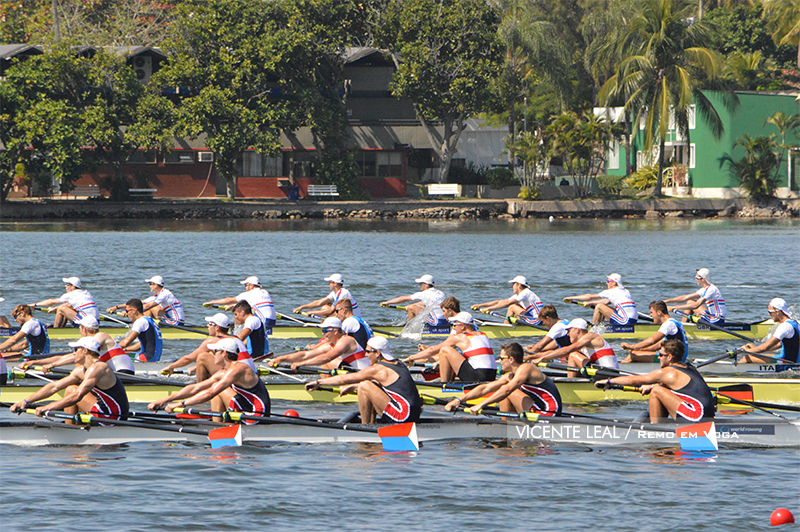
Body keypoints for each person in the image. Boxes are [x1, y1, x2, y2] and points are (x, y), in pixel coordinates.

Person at [10, 337, 129, 424]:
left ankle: (70, 430)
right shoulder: (81, 370)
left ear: (85, 351)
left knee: (72, 391)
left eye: (76, 349)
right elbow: (54, 387)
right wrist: (25, 401)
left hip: (114, 416)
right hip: (104, 410)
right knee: (71, 388)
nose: (73, 353)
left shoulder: (99, 368)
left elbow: (77, 396)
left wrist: (48, 407)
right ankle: (73, 426)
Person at [148, 338, 269, 423]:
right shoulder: (224, 372)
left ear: (224, 353)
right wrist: (164, 400)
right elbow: (196, 387)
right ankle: (218, 425)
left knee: (217, 389)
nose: (212, 353)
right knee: (215, 387)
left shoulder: (239, 369)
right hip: (245, 411)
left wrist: (180, 404)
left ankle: (219, 427)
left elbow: (210, 393)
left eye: (215, 351)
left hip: (256, 416)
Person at [305, 336, 422, 423]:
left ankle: (365, 427)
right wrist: (354, 387)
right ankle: (371, 423)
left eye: (368, 351)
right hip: (414, 415)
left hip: (402, 416)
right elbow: (382, 385)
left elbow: (344, 379)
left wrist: (318, 382)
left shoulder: (378, 369)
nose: (365, 355)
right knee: (365, 385)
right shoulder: (399, 363)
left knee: (364, 385)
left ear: (378, 353)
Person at [594, 339, 715, 423]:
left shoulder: (667, 373)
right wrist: (653, 385)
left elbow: (633, 380)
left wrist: (609, 382)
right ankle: (659, 425)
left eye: (661, 355)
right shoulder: (689, 367)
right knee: (657, 387)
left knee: (656, 391)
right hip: (707, 417)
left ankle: (655, 430)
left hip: (695, 417)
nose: (658, 357)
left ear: (669, 357)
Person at [444, 342, 562, 416]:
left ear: (511, 359)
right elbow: (485, 388)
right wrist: (459, 400)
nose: (499, 361)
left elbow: (507, 390)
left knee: (507, 390)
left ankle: (505, 427)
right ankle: (505, 425)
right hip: (538, 409)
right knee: (503, 388)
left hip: (549, 413)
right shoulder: (510, 375)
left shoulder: (526, 368)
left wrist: (481, 405)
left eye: (501, 358)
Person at [22, 315, 135, 375]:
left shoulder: (101, 336)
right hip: (116, 374)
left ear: (83, 329)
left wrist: (52, 365)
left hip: (124, 373)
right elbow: (67, 357)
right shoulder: (92, 341)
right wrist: (34, 362)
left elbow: (74, 358)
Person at [404, 312, 496, 383]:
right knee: (455, 354)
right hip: (491, 376)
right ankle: (450, 382)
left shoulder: (460, 337)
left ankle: (444, 385)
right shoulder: (483, 335)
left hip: (478, 377)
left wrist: (411, 358)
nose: (453, 327)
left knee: (445, 350)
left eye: (455, 324)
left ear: (463, 326)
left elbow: (432, 350)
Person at [161, 313, 251, 381]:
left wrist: (171, 366)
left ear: (217, 327)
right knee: (211, 353)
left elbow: (188, 358)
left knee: (202, 357)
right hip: (248, 372)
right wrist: (197, 368)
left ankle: (199, 389)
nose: (207, 326)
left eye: (210, 324)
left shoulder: (212, 341)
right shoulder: (236, 338)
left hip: (237, 373)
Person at [268, 317, 370, 371]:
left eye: (325, 331)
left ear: (335, 331)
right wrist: (281, 358)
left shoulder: (346, 341)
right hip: (353, 373)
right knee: (322, 361)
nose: (323, 334)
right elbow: (305, 355)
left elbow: (327, 358)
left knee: (326, 361)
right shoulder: (330, 345)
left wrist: (301, 364)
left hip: (364, 376)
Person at [203, 275, 277, 350]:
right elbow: (248, 304)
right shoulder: (265, 292)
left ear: (251, 286)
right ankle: (245, 346)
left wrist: (212, 302)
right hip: (272, 320)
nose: (245, 288)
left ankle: (238, 346)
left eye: (246, 285)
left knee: (247, 329)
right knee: (256, 335)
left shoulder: (248, 294)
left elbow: (228, 300)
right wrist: (234, 306)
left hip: (262, 320)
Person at [528, 318, 619, 377]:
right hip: (602, 372)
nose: (568, 334)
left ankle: (570, 384)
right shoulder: (583, 344)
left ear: (577, 330)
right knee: (573, 354)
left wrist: (543, 358)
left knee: (573, 355)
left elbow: (567, 350)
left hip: (608, 373)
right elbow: (559, 352)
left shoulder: (590, 336)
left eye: (569, 330)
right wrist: (531, 357)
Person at [620, 301, 689, 363]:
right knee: (636, 352)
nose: (650, 315)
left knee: (633, 356)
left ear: (659, 312)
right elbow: (658, 345)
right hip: (677, 357)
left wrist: (632, 346)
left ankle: (618, 371)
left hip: (673, 359)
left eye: (651, 312)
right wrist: (639, 348)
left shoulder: (668, 324)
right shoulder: (676, 322)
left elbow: (652, 340)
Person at [739, 298, 799, 364]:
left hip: (788, 362)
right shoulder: (794, 323)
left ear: (778, 312)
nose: (769, 314)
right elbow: (778, 345)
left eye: (770, 312)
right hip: (789, 359)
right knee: (756, 355)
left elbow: (764, 348)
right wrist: (755, 349)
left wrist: (745, 350)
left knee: (747, 358)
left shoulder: (784, 326)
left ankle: (733, 369)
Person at [564, 273, 638, 326]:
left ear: (614, 283)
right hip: (634, 320)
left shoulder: (611, 292)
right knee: (603, 306)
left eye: (608, 281)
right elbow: (605, 302)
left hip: (625, 322)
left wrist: (572, 298)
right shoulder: (626, 291)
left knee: (599, 306)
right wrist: (590, 303)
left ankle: (593, 328)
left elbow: (590, 297)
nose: (606, 283)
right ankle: (600, 325)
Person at [108, 276, 185, 325]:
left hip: (176, 322)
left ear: (156, 285)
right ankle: (141, 325)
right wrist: (116, 307)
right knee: (143, 306)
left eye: (150, 284)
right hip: (169, 320)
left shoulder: (165, 294)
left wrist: (128, 311)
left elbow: (149, 306)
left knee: (153, 308)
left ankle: (142, 326)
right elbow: (137, 303)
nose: (149, 286)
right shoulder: (157, 296)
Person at [380, 274, 447, 328]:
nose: (420, 286)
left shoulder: (423, 294)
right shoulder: (440, 293)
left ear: (426, 285)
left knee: (411, 308)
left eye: (421, 284)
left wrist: (387, 302)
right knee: (413, 306)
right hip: (445, 321)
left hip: (436, 322)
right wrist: (411, 305)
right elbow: (426, 303)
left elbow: (402, 298)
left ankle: (409, 329)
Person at [473, 275, 544, 325]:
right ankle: (510, 325)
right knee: (513, 305)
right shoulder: (520, 295)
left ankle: (507, 327)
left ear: (519, 285)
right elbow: (500, 302)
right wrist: (480, 305)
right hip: (532, 318)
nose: (512, 286)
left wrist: (488, 309)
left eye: (513, 284)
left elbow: (507, 303)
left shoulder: (525, 292)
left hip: (536, 320)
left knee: (512, 306)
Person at [33, 277, 99, 327]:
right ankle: (61, 328)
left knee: (61, 309)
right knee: (64, 308)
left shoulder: (71, 295)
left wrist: (34, 304)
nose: (65, 286)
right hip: (96, 322)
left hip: (86, 325)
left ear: (73, 286)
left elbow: (51, 302)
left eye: (67, 284)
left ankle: (55, 330)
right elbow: (68, 305)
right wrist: (55, 308)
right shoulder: (86, 293)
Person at [293, 273, 361, 318]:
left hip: (353, 319)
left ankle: (325, 329)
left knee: (325, 309)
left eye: (330, 282)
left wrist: (313, 312)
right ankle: (325, 328)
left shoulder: (343, 293)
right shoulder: (335, 293)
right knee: (325, 306)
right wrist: (302, 307)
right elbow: (319, 302)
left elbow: (330, 311)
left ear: (335, 283)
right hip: (344, 316)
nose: (329, 284)